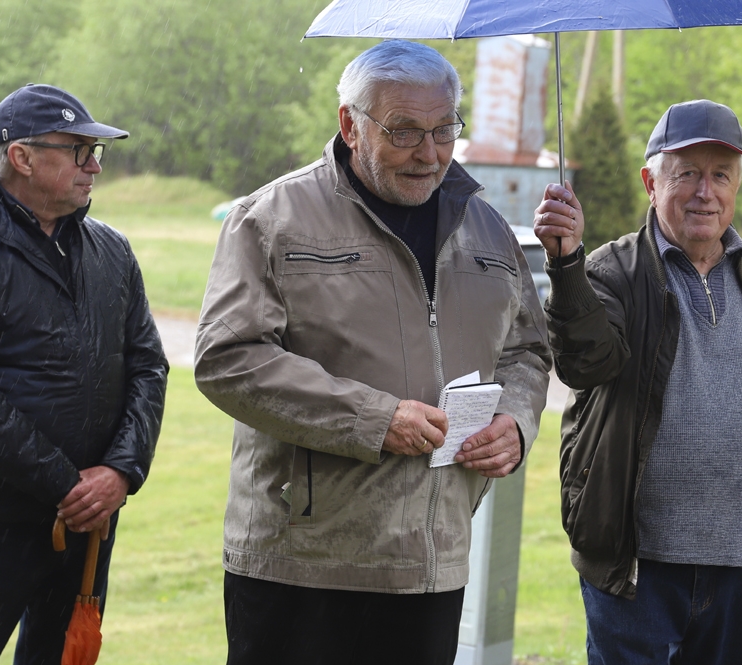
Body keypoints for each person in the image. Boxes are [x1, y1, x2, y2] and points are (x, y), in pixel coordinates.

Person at [194, 40, 551, 665]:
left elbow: (527, 349)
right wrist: (374, 418)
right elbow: (228, 358)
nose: (429, 153)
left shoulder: (487, 227)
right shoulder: (271, 218)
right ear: (350, 124)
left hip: (433, 560)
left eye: (445, 130)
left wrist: (515, 422)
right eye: (404, 131)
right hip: (303, 561)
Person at [533, 99, 742, 664]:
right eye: (687, 173)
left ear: (737, 186)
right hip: (636, 568)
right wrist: (566, 267)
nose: (704, 193)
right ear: (651, 183)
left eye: (721, 175)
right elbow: (585, 363)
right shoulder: (610, 273)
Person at [0, 84, 168, 664]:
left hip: (88, 522)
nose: (95, 166)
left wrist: (120, 472)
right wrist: (69, 486)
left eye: (96, 152)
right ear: (21, 157)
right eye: (78, 151)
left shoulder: (111, 249)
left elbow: (149, 365)